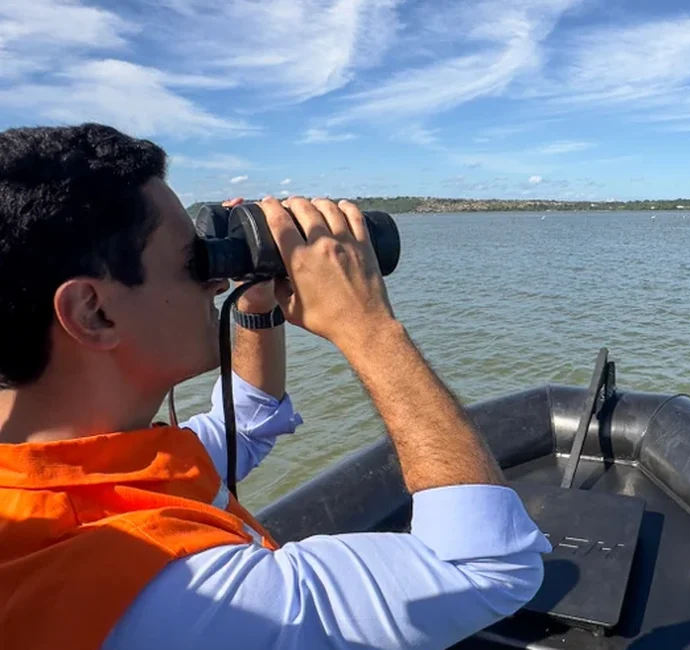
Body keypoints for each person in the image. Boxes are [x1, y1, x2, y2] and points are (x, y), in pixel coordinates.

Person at [0, 124, 550, 650]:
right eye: (192, 262)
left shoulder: (67, 471)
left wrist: (256, 303)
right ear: (93, 311)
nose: (217, 280)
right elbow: (487, 565)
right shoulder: (166, 594)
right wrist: (367, 325)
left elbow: (248, 422)